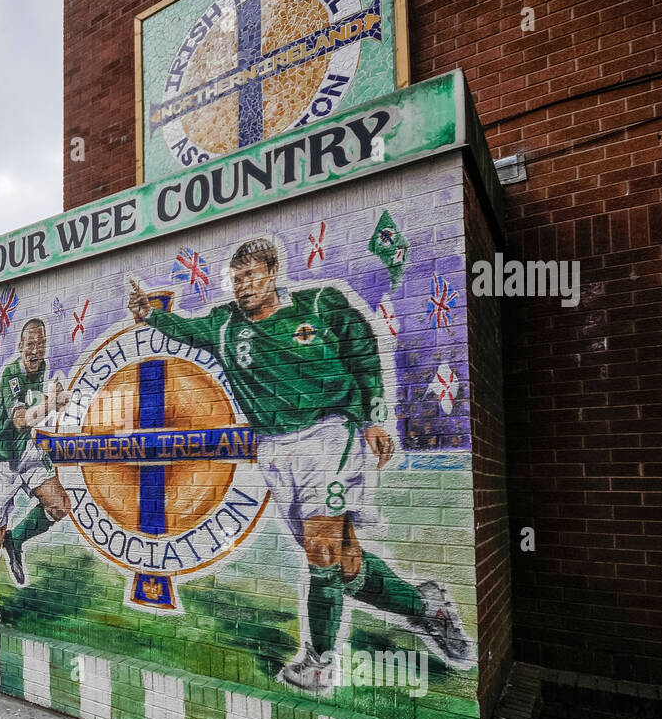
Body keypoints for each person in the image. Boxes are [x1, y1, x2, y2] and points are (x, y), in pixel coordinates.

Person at [128, 237, 474, 692]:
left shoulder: (318, 303)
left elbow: (364, 352)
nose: (243, 286)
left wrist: (374, 417)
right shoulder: (225, 324)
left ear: (273, 271)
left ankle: (318, 661)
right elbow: (185, 329)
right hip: (274, 449)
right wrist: (150, 314)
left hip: (331, 434)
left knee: (321, 550)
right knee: (343, 565)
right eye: (236, 279)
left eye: (251, 275)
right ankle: (427, 609)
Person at [0, 317, 72, 621]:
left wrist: (56, 398)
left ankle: (18, 540)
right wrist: (51, 404)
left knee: (59, 505)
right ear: (20, 346)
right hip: (0, 459)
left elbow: (37, 409)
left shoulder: (42, 368)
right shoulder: (12, 374)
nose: (36, 349)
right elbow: (20, 420)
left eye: (41, 343)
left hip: (24, 450)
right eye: (30, 343)